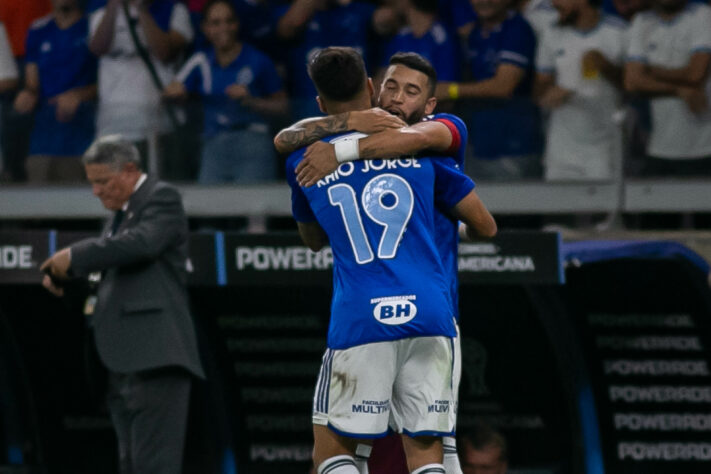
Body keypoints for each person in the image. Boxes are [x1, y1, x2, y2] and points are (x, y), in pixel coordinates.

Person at [285, 47, 496, 474]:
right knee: (432, 451)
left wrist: (338, 150)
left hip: (365, 313)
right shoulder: (425, 163)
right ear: (371, 89)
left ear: (430, 105)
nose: (399, 97)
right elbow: (486, 225)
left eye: (412, 91)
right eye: (391, 86)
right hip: (432, 311)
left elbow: (311, 237)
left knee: (335, 448)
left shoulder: (307, 160)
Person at [40, 135, 205, 474]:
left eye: (102, 181)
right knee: (131, 464)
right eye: (93, 183)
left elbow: (142, 244)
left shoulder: (162, 198)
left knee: (153, 466)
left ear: (130, 170)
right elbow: (114, 274)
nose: (96, 191)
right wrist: (67, 279)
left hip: (155, 359)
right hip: (122, 365)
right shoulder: (119, 216)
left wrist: (74, 255)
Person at [164, 0, 287, 184]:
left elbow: (283, 107)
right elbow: (171, 91)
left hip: (253, 142)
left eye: (229, 21)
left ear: (237, 24)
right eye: (216, 23)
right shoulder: (200, 60)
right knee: (209, 208)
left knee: (255, 208)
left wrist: (251, 101)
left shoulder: (257, 60)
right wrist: (177, 94)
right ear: (205, 28)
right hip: (213, 143)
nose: (224, 28)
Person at [435, 0, 543, 181]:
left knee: (514, 207)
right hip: (480, 141)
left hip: (514, 144)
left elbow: (503, 86)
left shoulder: (516, 29)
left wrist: (451, 90)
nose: (484, 1)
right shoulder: (475, 32)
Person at [89, 0, 193, 159]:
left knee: (159, 183)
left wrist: (142, 11)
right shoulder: (101, 13)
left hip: (160, 126)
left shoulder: (175, 10)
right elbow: (97, 48)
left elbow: (164, 53)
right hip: (112, 125)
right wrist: (113, 7)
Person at [535, 0, 626, 180]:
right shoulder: (551, 33)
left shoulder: (619, 31)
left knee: (602, 206)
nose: (554, 4)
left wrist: (606, 67)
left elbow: (632, 86)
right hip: (560, 148)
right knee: (558, 207)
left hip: (604, 146)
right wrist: (549, 93)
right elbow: (539, 88)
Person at [13, 0, 97, 183]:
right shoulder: (38, 29)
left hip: (83, 138)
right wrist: (27, 95)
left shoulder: (93, 25)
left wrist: (79, 96)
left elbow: (105, 82)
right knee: (37, 204)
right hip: (42, 140)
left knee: (77, 205)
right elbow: (32, 83)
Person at [624, 0, 711, 176]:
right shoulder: (642, 21)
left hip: (704, 148)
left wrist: (652, 71)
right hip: (659, 148)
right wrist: (679, 90)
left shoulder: (702, 14)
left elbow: (696, 74)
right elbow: (632, 82)